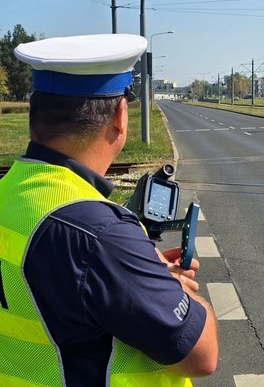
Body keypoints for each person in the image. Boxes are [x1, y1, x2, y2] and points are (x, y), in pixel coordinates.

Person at [0, 34, 218, 387]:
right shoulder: (99, 233)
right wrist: (178, 291)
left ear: (34, 114)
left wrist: (143, 272)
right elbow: (201, 354)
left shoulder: (8, 194)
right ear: (120, 116)